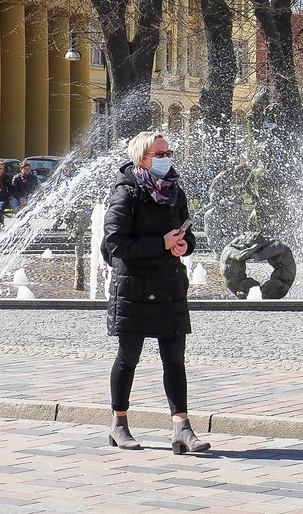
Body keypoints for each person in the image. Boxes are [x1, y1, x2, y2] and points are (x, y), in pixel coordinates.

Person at [103, 130, 208, 454]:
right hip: (133, 286)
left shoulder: (175, 190)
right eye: (159, 154)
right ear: (142, 159)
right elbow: (115, 243)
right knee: (128, 357)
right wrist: (159, 244)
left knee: (175, 359)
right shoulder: (126, 192)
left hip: (168, 283)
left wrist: (182, 245)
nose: (166, 159)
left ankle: (182, 428)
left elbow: (189, 235)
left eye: (168, 152)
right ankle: (119, 423)